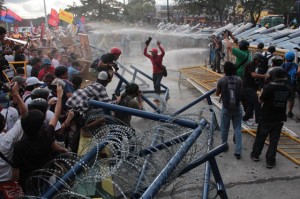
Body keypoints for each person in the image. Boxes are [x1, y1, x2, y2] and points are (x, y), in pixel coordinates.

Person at [12, 85, 67, 193]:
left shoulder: (19, 145)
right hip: (45, 177)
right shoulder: (46, 135)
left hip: (27, 183)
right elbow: (56, 115)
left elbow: (15, 172)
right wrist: (59, 96)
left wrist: (17, 95)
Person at [250, 67, 291, 169]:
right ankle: (270, 161)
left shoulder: (269, 88)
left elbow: (260, 101)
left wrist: (262, 91)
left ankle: (255, 155)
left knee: (261, 137)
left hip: (267, 117)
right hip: (279, 118)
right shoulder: (287, 88)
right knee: (274, 141)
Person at [216, 61, 243, 159]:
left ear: (225, 70)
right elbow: (240, 92)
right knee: (238, 129)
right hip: (237, 107)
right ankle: (238, 151)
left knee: (224, 128)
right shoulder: (239, 79)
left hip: (226, 108)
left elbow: (217, 94)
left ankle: (224, 146)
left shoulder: (221, 80)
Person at [242, 52, 267, 126]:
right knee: (257, 103)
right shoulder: (250, 64)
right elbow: (254, 75)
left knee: (251, 104)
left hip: (250, 87)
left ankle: (245, 118)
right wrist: (265, 76)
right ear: (255, 59)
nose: (259, 63)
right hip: (247, 87)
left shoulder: (254, 65)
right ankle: (258, 120)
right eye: (258, 61)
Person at [281, 51, 300, 118]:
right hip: (292, 84)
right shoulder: (295, 65)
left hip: (283, 83)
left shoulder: (283, 65)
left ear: (286, 58)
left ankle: (282, 112)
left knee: (283, 98)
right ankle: (290, 112)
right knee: (291, 99)